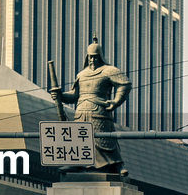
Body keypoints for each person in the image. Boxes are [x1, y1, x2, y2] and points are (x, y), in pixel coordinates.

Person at [48, 40, 133, 172]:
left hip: (99, 110)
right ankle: (77, 162)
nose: (92, 59)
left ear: (100, 56)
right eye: (90, 56)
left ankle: (117, 164)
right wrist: (60, 95)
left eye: (95, 56)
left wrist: (116, 101)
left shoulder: (109, 70)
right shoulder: (82, 74)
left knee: (104, 138)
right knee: (79, 137)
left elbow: (125, 84)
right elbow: (75, 95)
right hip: (81, 111)